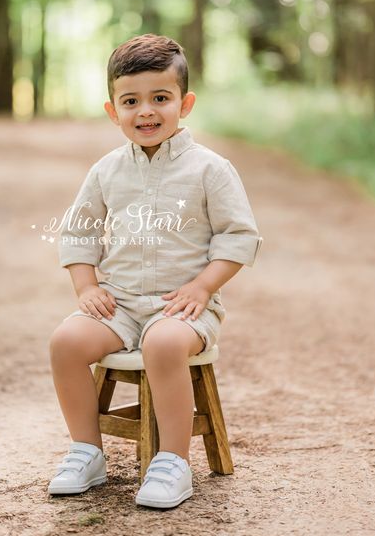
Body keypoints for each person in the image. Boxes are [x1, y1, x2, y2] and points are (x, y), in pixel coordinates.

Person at [48, 33, 263, 509]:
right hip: (120, 303)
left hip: (182, 308)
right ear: (113, 111)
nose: (145, 111)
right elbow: (80, 232)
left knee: (162, 342)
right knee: (66, 342)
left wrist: (204, 286)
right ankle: (87, 451)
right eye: (131, 101)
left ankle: (172, 463)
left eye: (159, 98)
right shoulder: (106, 171)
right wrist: (86, 285)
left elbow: (238, 237)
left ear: (184, 104)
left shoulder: (210, 169)